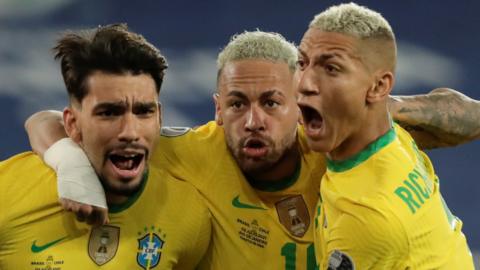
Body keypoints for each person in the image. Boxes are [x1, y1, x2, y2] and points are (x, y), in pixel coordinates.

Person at [24, 29, 480, 270]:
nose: (253, 121)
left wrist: (379, 109)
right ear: (218, 110)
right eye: (238, 104)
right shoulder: (195, 150)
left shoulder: (332, 137)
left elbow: (466, 117)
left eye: (272, 103)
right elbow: (46, 120)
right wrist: (68, 161)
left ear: (300, 102)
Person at [0, 24, 211, 269]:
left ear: (160, 118)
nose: (130, 132)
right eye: (109, 112)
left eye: (144, 111)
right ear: (72, 123)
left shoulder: (190, 216)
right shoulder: (7, 192)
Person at [295, 3, 474, 269]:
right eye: (302, 63)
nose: (304, 82)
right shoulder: (391, 135)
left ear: (379, 86)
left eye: (331, 69)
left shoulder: (365, 219)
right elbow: (472, 116)